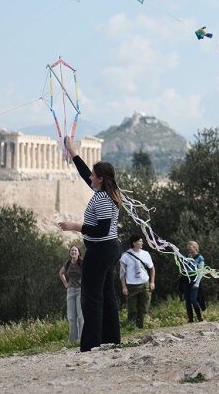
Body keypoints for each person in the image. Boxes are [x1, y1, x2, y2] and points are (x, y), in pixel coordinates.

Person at [57, 137, 122, 351]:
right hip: (110, 249)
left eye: (94, 175)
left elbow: (102, 229)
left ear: (101, 179)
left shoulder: (102, 199)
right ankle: (110, 339)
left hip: (101, 250)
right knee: (106, 294)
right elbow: (86, 174)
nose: (90, 177)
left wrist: (75, 226)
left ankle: (90, 344)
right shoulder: (107, 193)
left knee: (90, 297)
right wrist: (72, 152)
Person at [120, 235, 155, 328]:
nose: (142, 243)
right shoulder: (125, 256)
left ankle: (140, 326)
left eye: (142, 241)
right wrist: (124, 287)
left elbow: (152, 268)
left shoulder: (146, 254)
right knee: (132, 309)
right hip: (131, 285)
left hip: (144, 284)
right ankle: (130, 327)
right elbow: (122, 273)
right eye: (140, 241)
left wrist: (152, 282)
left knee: (144, 307)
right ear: (134, 243)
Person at [59, 245, 84, 342]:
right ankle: (72, 340)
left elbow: (88, 273)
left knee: (80, 316)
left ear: (78, 253)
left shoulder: (81, 263)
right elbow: (61, 273)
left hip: (80, 290)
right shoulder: (68, 263)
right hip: (70, 291)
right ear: (70, 253)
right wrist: (66, 284)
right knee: (71, 317)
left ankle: (82, 338)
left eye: (75, 250)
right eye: (72, 250)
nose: (73, 252)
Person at [183, 240, 204, 323]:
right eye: (188, 247)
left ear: (195, 247)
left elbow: (200, 271)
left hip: (194, 279)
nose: (188, 248)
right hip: (187, 279)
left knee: (193, 299)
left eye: (190, 246)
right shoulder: (188, 256)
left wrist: (197, 283)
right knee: (187, 300)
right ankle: (190, 319)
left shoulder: (200, 258)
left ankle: (199, 317)